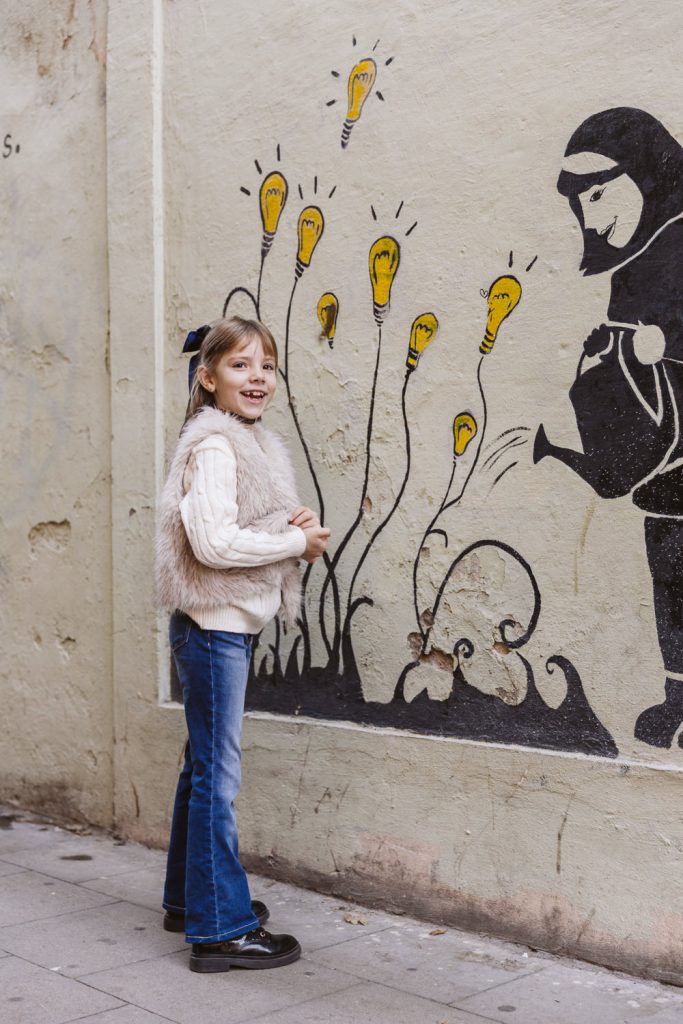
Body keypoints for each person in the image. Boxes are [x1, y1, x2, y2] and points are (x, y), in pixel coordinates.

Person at [155, 315, 330, 972]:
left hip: (221, 625)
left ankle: (190, 900)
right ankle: (219, 930)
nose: (256, 377)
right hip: (213, 628)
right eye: (239, 365)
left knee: (199, 770)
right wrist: (293, 543)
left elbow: (237, 521)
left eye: (266, 366)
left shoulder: (245, 442)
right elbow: (213, 544)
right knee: (216, 779)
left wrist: (292, 526)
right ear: (208, 378)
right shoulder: (216, 445)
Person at [534, 107, 683, 748]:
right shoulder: (634, 263)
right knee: (670, 575)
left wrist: (660, 344)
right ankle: (679, 694)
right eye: (581, 205)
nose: (592, 220)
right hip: (665, 465)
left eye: (598, 194)